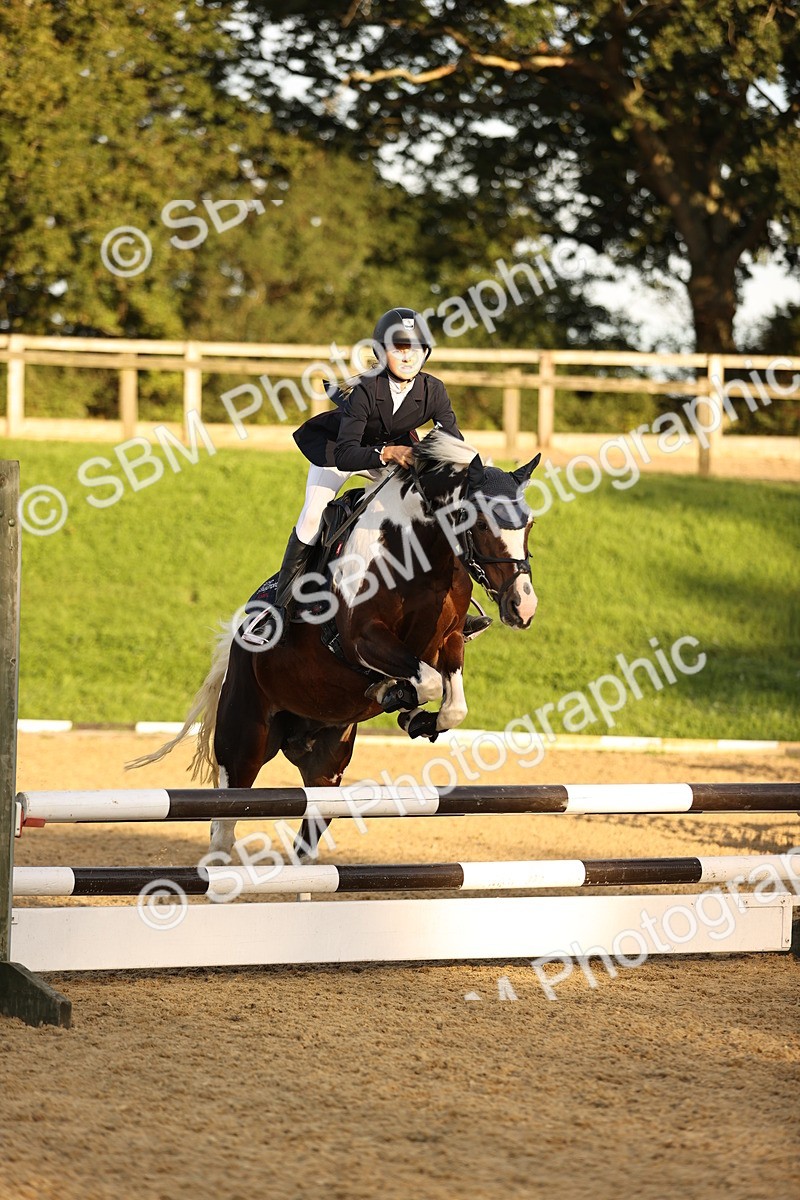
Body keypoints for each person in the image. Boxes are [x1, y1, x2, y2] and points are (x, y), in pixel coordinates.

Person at [273, 306, 491, 638]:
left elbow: (453, 442)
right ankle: (282, 605)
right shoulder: (365, 390)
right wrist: (386, 452)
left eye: (416, 349)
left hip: (394, 454)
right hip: (341, 451)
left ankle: (456, 606)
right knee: (312, 517)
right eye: (399, 348)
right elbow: (347, 454)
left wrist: (475, 470)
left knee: (432, 511)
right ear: (382, 352)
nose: (408, 357)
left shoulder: (433, 391)